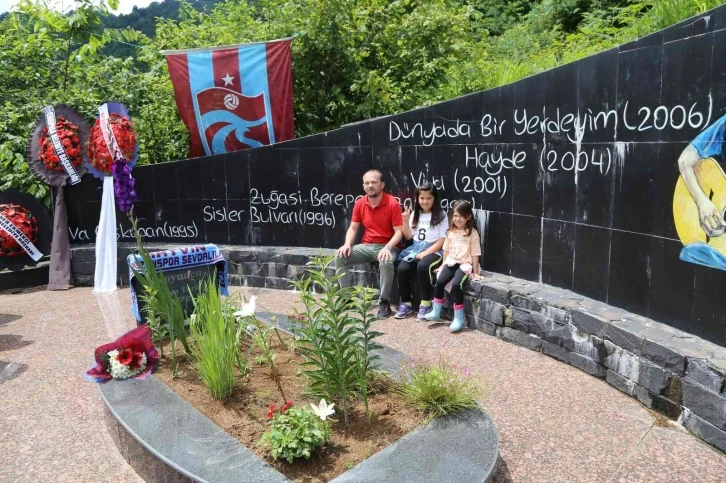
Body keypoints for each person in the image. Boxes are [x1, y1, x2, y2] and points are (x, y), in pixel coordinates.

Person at [335, 169, 404, 318]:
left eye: (373, 182)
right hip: (367, 246)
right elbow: (353, 228)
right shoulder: (360, 203)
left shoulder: (392, 203)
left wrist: (388, 247)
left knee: (385, 261)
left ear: (382, 184)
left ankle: (384, 301)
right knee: (340, 257)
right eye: (366, 183)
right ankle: (347, 299)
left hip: (388, 246)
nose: (370, 185)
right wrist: (347, 244)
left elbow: (399, 232)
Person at [393, 181, 449, 320]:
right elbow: (409, 236)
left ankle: (426, 303)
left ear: (434, 198)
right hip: (416, 247)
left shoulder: (441, 215)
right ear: (417, 199)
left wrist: (426, 253)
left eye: (429, 198)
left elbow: (442, 240)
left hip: (434, 250)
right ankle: (406, 302)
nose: (425, 201)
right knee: (402, 268)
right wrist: (405, 221)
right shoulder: (415, 214)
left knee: (423, 266)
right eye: (422, 198)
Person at [424, 200, 481, 332]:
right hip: (450, 262)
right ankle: (436, 311)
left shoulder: (472, 233)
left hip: (464, 265)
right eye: (455, 216)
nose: (457, 219)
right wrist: (443, 265)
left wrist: (476, 272)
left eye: (461, 216)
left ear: (468, 216)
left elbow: (475, 253)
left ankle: (459, 318)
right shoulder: (450, 232)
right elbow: (446, 250)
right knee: (440, 281)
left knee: (456, 285)